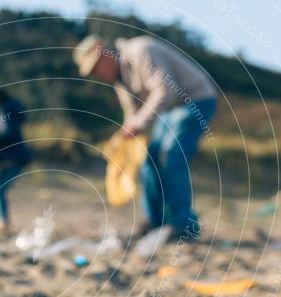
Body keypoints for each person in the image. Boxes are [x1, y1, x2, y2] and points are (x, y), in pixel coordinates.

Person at [73, 34, 217, 240]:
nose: (97, 73)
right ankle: (155, 221)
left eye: (96, 67)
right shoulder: (119, 79)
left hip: (195, 100)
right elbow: (131, 114)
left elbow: (163, 90)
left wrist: (138, 124)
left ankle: (184, 224)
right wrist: (124, 135)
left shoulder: (141, 50)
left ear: (105, 54)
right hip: (169, 110)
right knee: (148, 160)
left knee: (170, 155)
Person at [0, 88, 31, 236]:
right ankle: (3, 220)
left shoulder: (4, 109)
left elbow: (7, 131)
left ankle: (3, 221)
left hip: (12, 157)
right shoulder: (5, 110)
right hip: (11, 157)